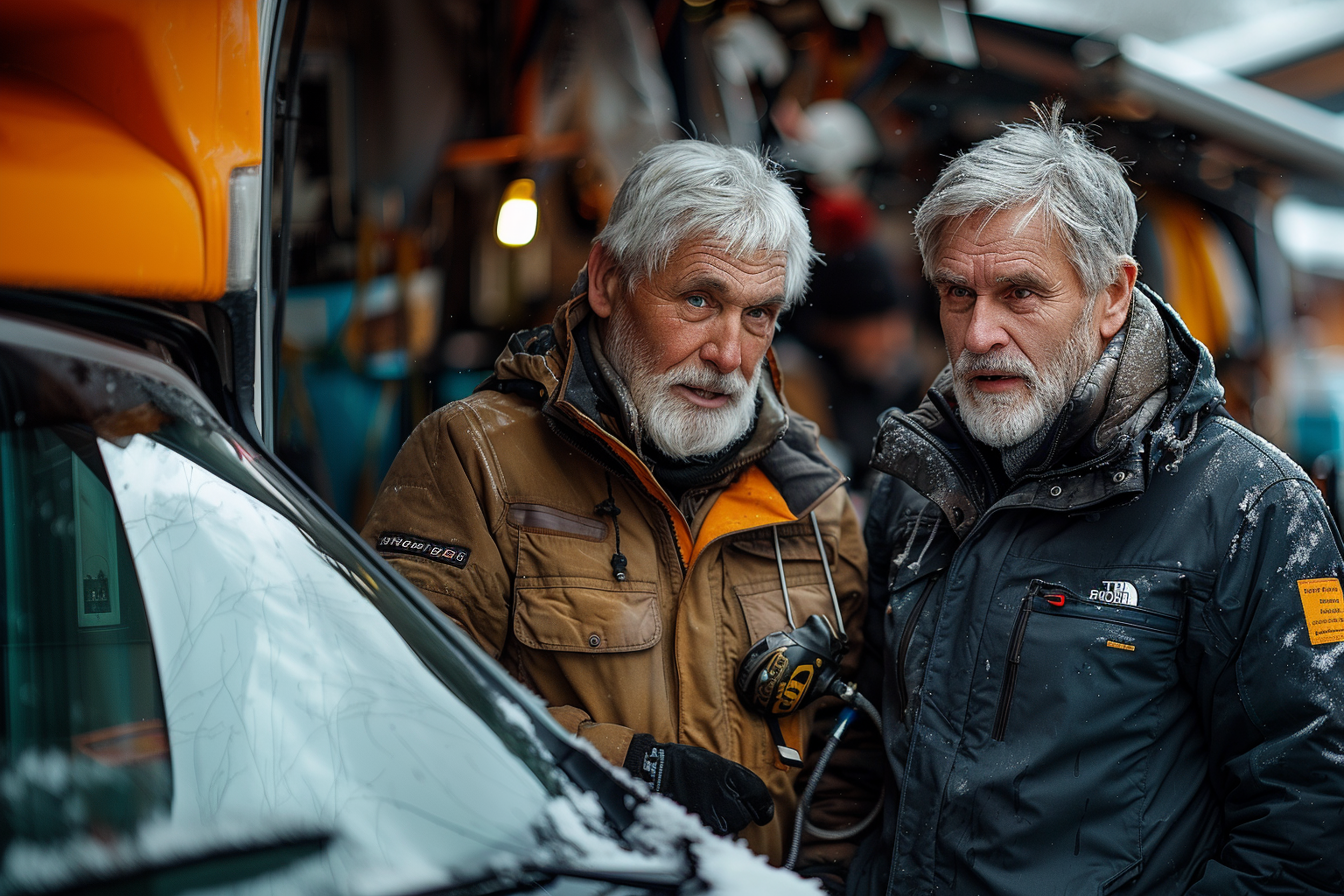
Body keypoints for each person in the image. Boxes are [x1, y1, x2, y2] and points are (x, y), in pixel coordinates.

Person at [832, 102, 1344, 894]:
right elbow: (864, 752)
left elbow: (1306, 833)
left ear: (1112, 295)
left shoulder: (1251, 506)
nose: (977, 334)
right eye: (957, 294)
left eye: (1020, 293)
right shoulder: (918, 482)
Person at [361, 140, 868, 863]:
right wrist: (629, 770)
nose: (729, 352)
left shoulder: (810, 500)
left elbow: (847, 765)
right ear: (606, 280)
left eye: (758, 314)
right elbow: (401, 696)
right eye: (699, 299)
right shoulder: (475, 459)